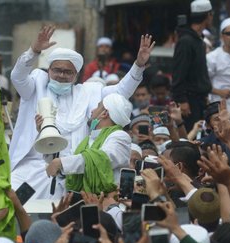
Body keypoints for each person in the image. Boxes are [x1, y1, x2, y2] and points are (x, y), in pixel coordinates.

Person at [9, 25, 154, 198]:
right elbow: (17, 76)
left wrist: (138, 65)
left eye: (68, 72)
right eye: (57, 70)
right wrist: (33, 51)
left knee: (63, 217)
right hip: (33, 167)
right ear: (49, 71)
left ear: (76, 75)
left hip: (73, 170)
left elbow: (122, 92)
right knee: (15, 203)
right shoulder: (36, 85)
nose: (62, 75)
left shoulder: (89, 92)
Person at [45, 93, 132, 194]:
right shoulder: (88, 140)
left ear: (105, 113)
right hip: (81, 199)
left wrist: (62, 163)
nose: (92, 110)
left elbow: (102, 158)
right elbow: (66, 159)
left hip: (106, 202)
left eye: (98, 106)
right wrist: (46, 133)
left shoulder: (120, 136)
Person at [170, 0, 213, 131]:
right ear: (208, 15)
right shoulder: (186, 42)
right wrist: (182, 100)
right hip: (189, 102)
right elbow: (178, 73)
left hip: (199, 101)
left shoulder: (198, 40)